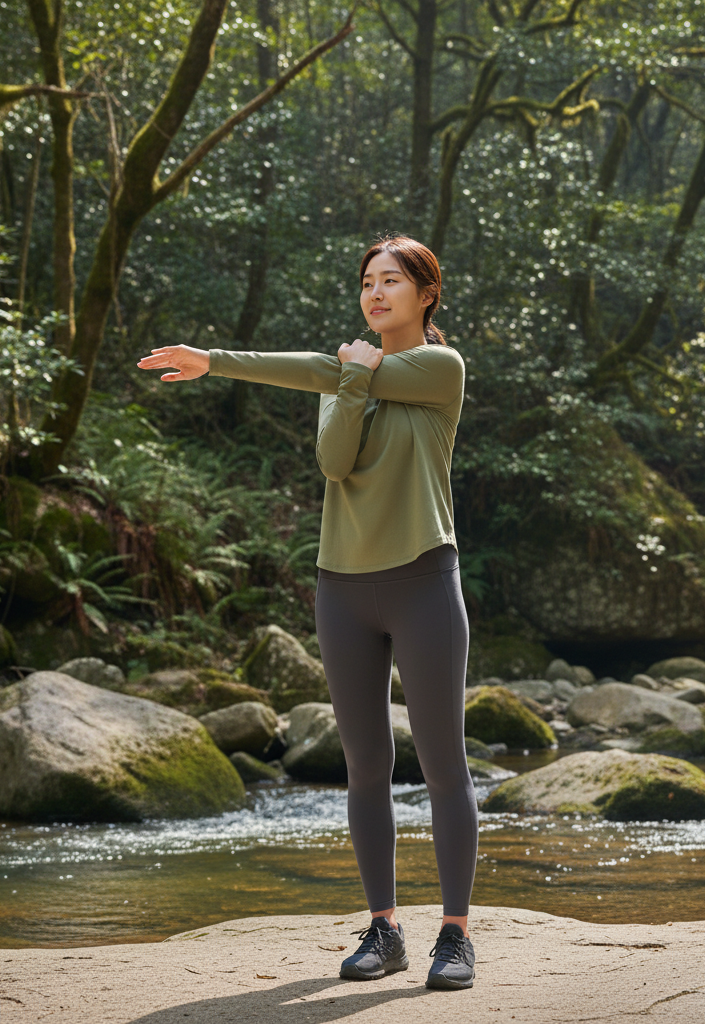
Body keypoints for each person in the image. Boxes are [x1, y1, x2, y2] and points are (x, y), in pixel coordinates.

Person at [137, 235, 478, 991]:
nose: (376, 292)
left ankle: (455, 936)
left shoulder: (439, 369)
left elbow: (342, 370)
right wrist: (346, 383)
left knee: (444, 764)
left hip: (424, 580)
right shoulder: (345, 378)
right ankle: (384, 929)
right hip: (342, 587)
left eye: (393, 280)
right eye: (367, 281)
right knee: (365, 767)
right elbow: (335, 463)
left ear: (427, 294)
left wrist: (221, 358)